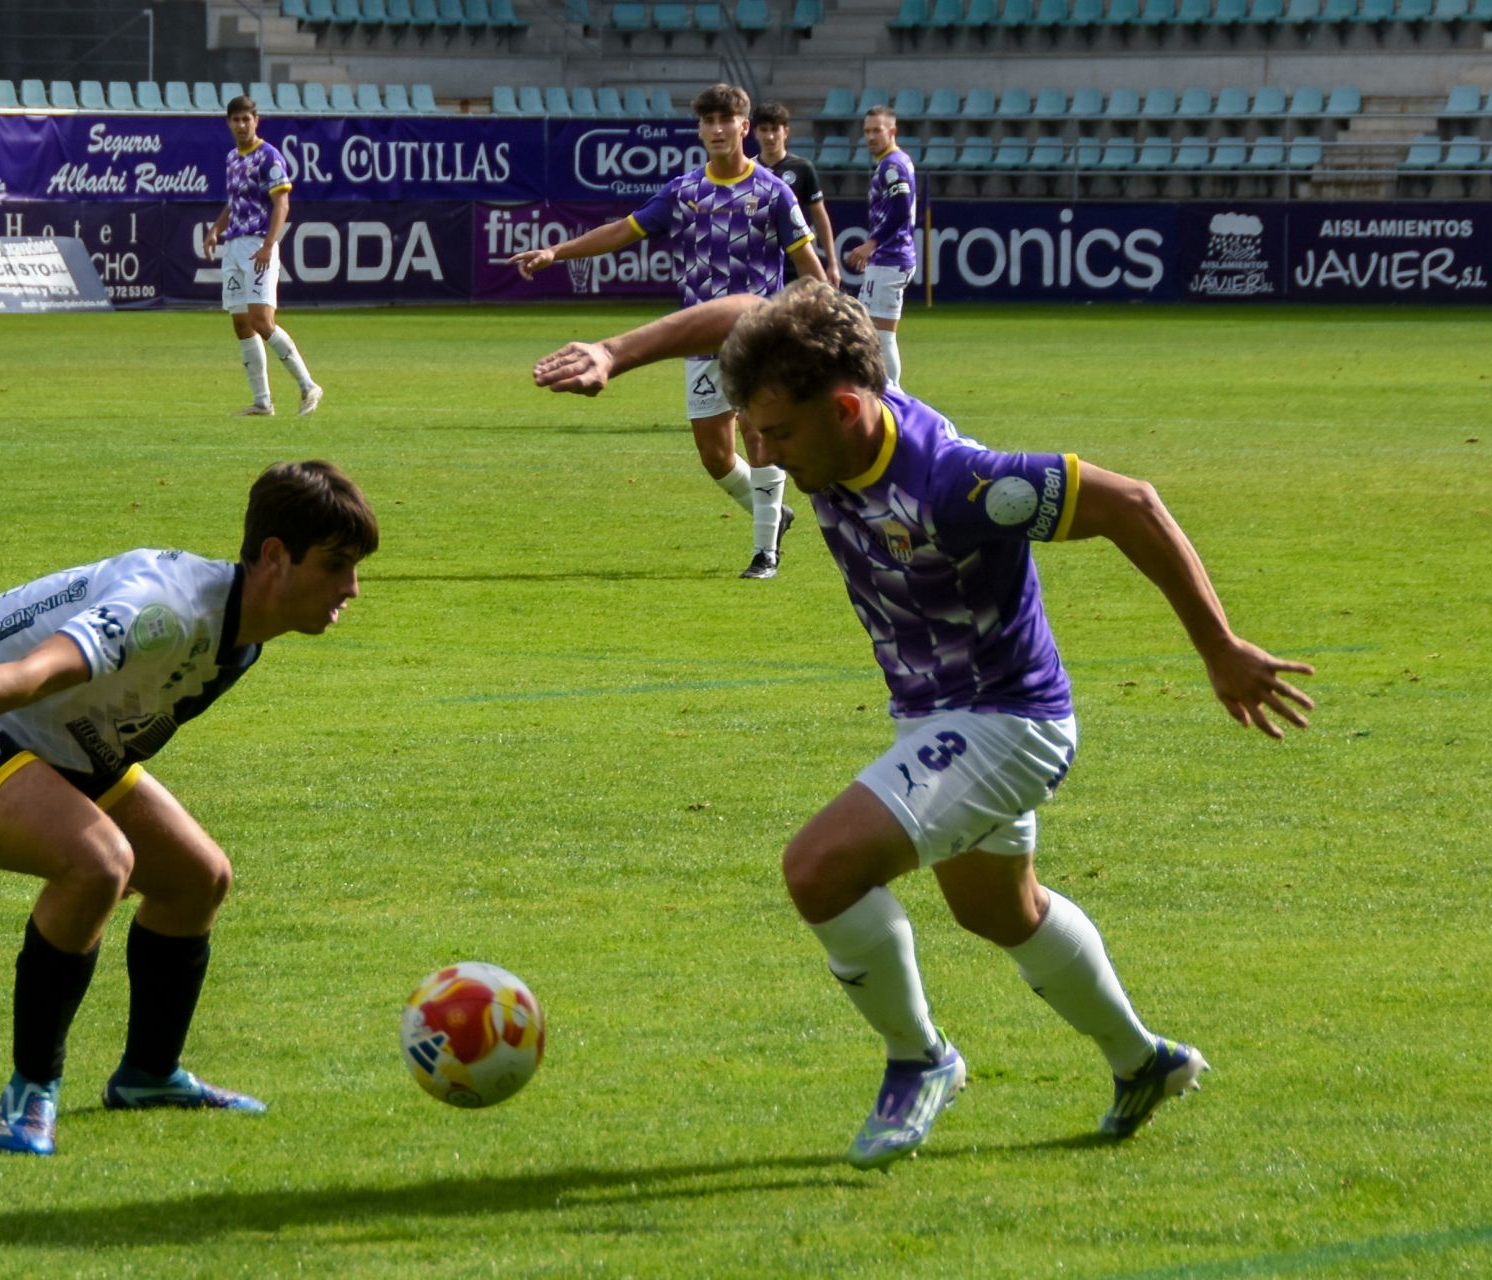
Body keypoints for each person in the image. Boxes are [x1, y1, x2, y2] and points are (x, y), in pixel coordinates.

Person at [533, 282, 1315, 1168]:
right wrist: (613, 352)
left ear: (847, 408)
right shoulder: (816, 418)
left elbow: (1131, 503)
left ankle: (921, 1058)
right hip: (932, 721)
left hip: (1008, 721)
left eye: (779, 435)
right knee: (998, 910)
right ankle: (1142, 1061)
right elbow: (737, 313)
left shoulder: (958, 483)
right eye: (754, 431)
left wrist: (1218, 647)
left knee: (818, 869)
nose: (762, 450)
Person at [0, 461, 378, 1156]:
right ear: (276, 556)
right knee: (98, 863)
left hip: (59, 738)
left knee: (197, 878)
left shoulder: (245, 633)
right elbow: (38, 672)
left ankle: (148, 1074)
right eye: (337, 563)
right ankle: (29, 1093)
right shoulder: (163, 613)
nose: (352, 587)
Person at [509, 83, 828, 581]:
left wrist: (828, 319)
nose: (717, 129)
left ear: (745, 127)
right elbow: (622, 230)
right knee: (715, 456)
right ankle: (773, 514)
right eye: (708, 121)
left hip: (759, 338)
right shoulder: (683, 192)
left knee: (759, 434)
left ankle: (765, 551)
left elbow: (808, 263)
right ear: (700, 130)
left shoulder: (773, 191)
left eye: (727, 120)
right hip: (698, 339)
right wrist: (557, 252)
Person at [203, 96, 322, 418]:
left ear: (257, 121)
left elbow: (282, 203)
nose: (241, 125)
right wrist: (216, 229)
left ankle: (308, 384)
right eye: (235, 120)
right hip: (234, 245)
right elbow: (234, 201)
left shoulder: (269, 156)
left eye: (246, 119)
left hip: (257, 244)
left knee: (261, 320)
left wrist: (269, 245)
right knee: (241, 323)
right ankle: (262, 402)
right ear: (228, 123)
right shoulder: (232, 158)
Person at [843, 107, 916, 388]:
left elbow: (900, 207)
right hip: (889, 259)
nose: (871, 137)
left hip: (890, 258)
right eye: (867, 131)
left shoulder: (892, 165)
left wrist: (871, 244)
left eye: (878, 130)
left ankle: (892, 394)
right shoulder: (893, 162)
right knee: (871, 332)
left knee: (881, 335)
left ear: (892, 131)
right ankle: (883, 390)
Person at [751, 102, 840, 290]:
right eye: (764, 130)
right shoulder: (748, 170)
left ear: (786, 132)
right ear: (755, 132)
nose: (770, 136)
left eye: (775, 129)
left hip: (797, 258)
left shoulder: (802, 168)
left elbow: (819, 215)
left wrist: (832, 263)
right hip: (759, 261)